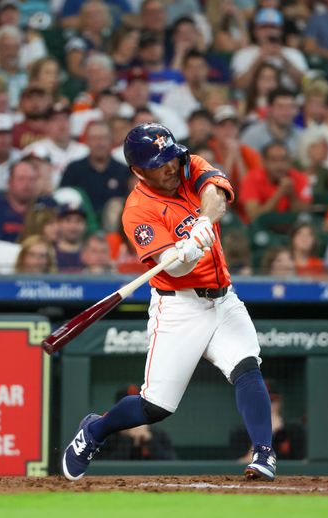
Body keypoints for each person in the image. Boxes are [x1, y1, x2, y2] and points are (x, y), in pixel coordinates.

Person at [61, 123, 277, 482]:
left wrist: (202, 225)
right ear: (138, 171)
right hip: (179, 307)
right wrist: (187, 253)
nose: (171, 166)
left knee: (246, 366)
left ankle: (264, 453)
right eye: (159, 163)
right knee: (155, 406)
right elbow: (175, 271)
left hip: (223, 300)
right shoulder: (137, 211)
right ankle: (96, 430)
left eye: (171, 158)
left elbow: (216, 195)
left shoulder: (188, 164)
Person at [96, 384, 177, 461]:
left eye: (136, 408)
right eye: (127, 409)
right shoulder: (108, 434)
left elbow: (171, 465)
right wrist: (127, 439)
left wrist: (150, 441)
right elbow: (103, 467)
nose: (132, 414)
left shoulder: (157, 434)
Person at [230, 382, 306, 462]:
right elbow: (240, 468)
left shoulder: (294, 429)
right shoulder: (240, 432)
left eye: (271, 401)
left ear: (280, 402)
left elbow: (302, 466)